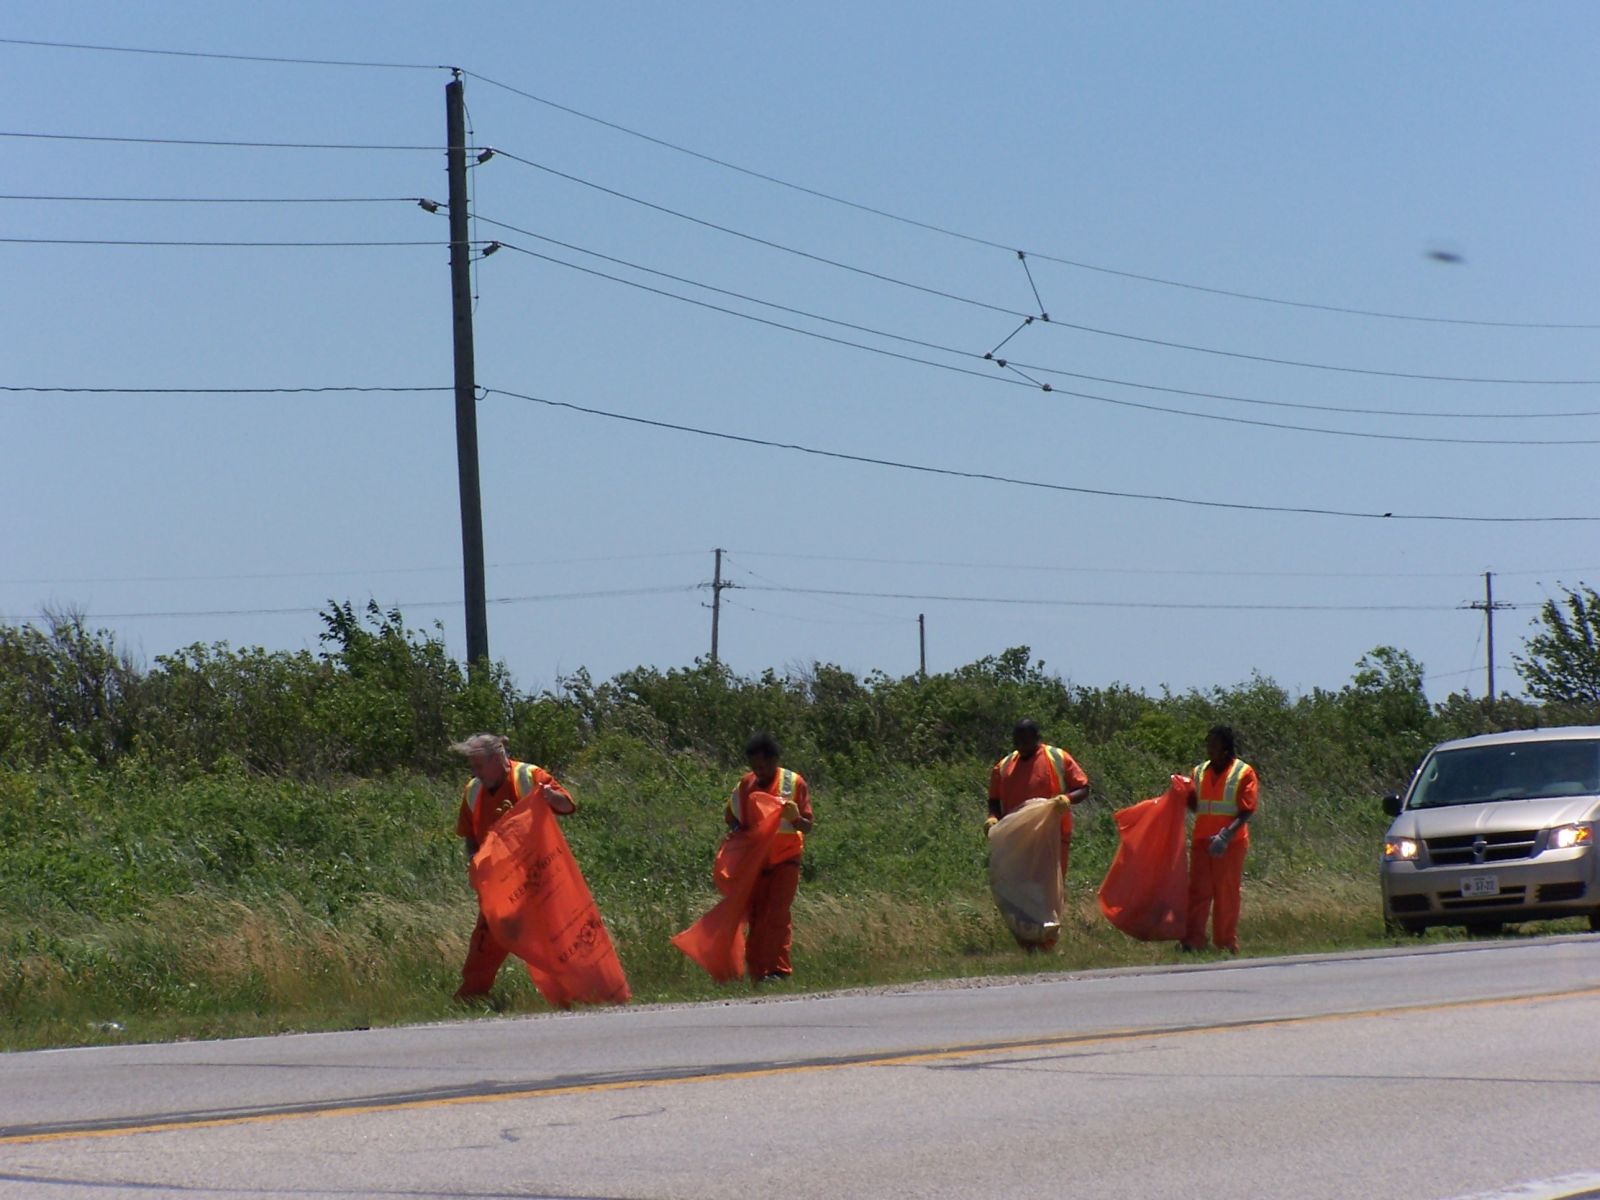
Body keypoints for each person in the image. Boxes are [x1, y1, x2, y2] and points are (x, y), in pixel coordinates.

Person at [451, 732, 577, 1000]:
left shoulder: (529, 777)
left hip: (538, 877)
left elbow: (566, 805)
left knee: (554, 940)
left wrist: (550, 796)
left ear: (497, 758)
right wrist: (476, 865)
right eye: (472, 766)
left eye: (479, 765)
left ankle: (570, 994)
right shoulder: (473, 790)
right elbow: (471, 836)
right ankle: (471, 998)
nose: (475, 772)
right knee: (485, 943)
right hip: (500, 884)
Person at [724, 732, 813, 983]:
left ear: (774, 761)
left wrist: (795, 818)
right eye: (754, 767)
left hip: (786, 861)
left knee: (777, 915)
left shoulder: (794, 783)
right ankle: (758, 972)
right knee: (756, 917)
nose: (758, 772)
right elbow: (731, 820)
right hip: (756, 865)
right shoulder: (744, 785)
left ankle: (779, 971)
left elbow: (807, 827)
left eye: (762, 767)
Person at [1178, 725, 1258, 954]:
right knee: (1198, 892)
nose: (1209, 749)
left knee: (1226, 893)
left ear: (1225, 748)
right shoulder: (1199, 771)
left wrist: (1226, 835)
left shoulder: (1244, 772)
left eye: (1214, 745)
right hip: (1203, 840)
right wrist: (1181, 794)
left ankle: (1225, 943)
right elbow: (1195, 805)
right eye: (1208, 745)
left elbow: (1247, 809)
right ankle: (1193, 941)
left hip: (1230, 844)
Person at [987, 718, 1091, 870]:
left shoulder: (1057, 758)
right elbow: (994, 799)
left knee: (1049, 889)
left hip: (1053, 837)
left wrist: (1067, 799)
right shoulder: (1003, 767)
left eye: (1026, 742)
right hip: (1016, 839)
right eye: (1017, 742)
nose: (1021, 746)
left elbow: (1083, 788)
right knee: (1017, 888)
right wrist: (992, 817)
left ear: (1037, 738)